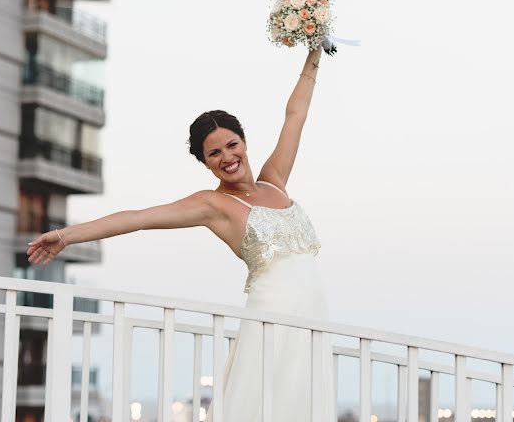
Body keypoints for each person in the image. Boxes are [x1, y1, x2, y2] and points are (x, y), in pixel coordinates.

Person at [26, 48, 334, 421]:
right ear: (205, 163)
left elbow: (295, 115)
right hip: (273, 316)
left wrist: (313, 51)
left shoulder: (276, 182)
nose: (227, 157)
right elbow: (140, 217)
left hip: (314, 315)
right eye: (214, 153)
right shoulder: (212, 205)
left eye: (232, 145)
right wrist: (67, 235)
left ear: (244, 142)